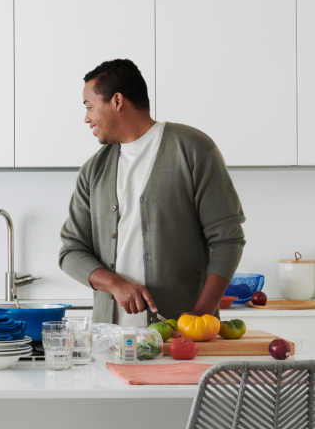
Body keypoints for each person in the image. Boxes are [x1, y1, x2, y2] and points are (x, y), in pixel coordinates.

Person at [58, 59, 245, 326]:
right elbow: (71, 251)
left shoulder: (192, 149)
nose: (86, 117)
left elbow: (228, 239)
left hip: (183, 339)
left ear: (117, 101)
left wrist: (200, 316)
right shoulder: (94, 170)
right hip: (109, 338)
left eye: (89, 106)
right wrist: (115, 284)